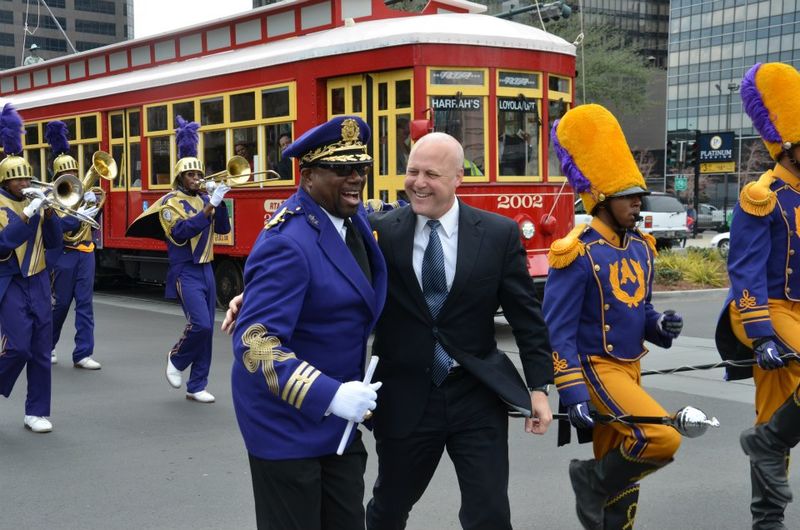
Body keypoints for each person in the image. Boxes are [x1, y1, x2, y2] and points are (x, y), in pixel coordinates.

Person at [365, 131, 553, 530]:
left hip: (476, 394)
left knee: (489, 514)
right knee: (389, 508)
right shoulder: (381, 232)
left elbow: (526, 317)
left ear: (457, 179)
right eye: (412, 170)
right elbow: (334, 281)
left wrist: (539, 387)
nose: (417, 182)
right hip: (405, 396)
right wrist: (254, 298)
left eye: (431, 173)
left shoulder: (498, 235)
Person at [229, 116, 387, 530]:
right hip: (287, 426)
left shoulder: (351, 220)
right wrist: (331, 396)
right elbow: (255, 344)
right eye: (341, 169)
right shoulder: (286, 242)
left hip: (339, 421)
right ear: (309, 174)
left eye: (361, 168)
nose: (355, 178)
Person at [543, 104, 684, 530]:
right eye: (628, 195)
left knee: (623, 473)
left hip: (631, 368)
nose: (637, 202)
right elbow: (558, 331)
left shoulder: (642, 247)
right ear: (602, 198)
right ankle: (588, 479)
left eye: (638, 194)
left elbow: (639, 310)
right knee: (661, 437)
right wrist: (571, 394)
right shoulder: (576, 250)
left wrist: (659, 325)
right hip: (596, 370)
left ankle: (601, 496)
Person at [715, 62, 800, 530]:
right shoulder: (760, 196)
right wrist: (762, 333)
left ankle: (767, 513)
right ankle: (767, 517)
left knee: (772, 422)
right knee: (772, 424)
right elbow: (744, 272)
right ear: (788, 148)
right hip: (768, 311)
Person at [126, 115, 230, 403]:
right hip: (186, 270)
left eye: (199, 174)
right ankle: (176, 357)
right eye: (191, 176)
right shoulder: (169, 203)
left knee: (208, 330)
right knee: (201, 325)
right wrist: (210, 206)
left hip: (207, 267)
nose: (197, 179)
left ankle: (197, 384)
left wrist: (220, 204)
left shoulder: (205, 199)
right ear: (179, 179)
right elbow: (182, 232)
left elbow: (223, 229)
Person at [0, 103, 62, 432]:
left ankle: (36, 411)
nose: (24, 182)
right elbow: (4, 243)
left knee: (40, 347)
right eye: (18, 178)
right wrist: (28, 214)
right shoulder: (4, 205)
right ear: (6, 181)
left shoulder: (37, 201)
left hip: (38, 278)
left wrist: (49, 215)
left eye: (26, 176)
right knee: (18, 346)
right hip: (9, 280)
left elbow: (55, 244)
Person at [44, 120, 102, 369]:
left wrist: (93, 207)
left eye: (75, 174)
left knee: (85, 304)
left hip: (86, 251)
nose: (72, 178)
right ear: (57, 177)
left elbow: (93, 222)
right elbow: (60, 228)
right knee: (61, 304)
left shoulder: (82, 191)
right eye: (66, 175)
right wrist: (78, 211)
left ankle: (83, 353)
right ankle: (48, 345)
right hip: (65, 253)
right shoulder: (50, 196)